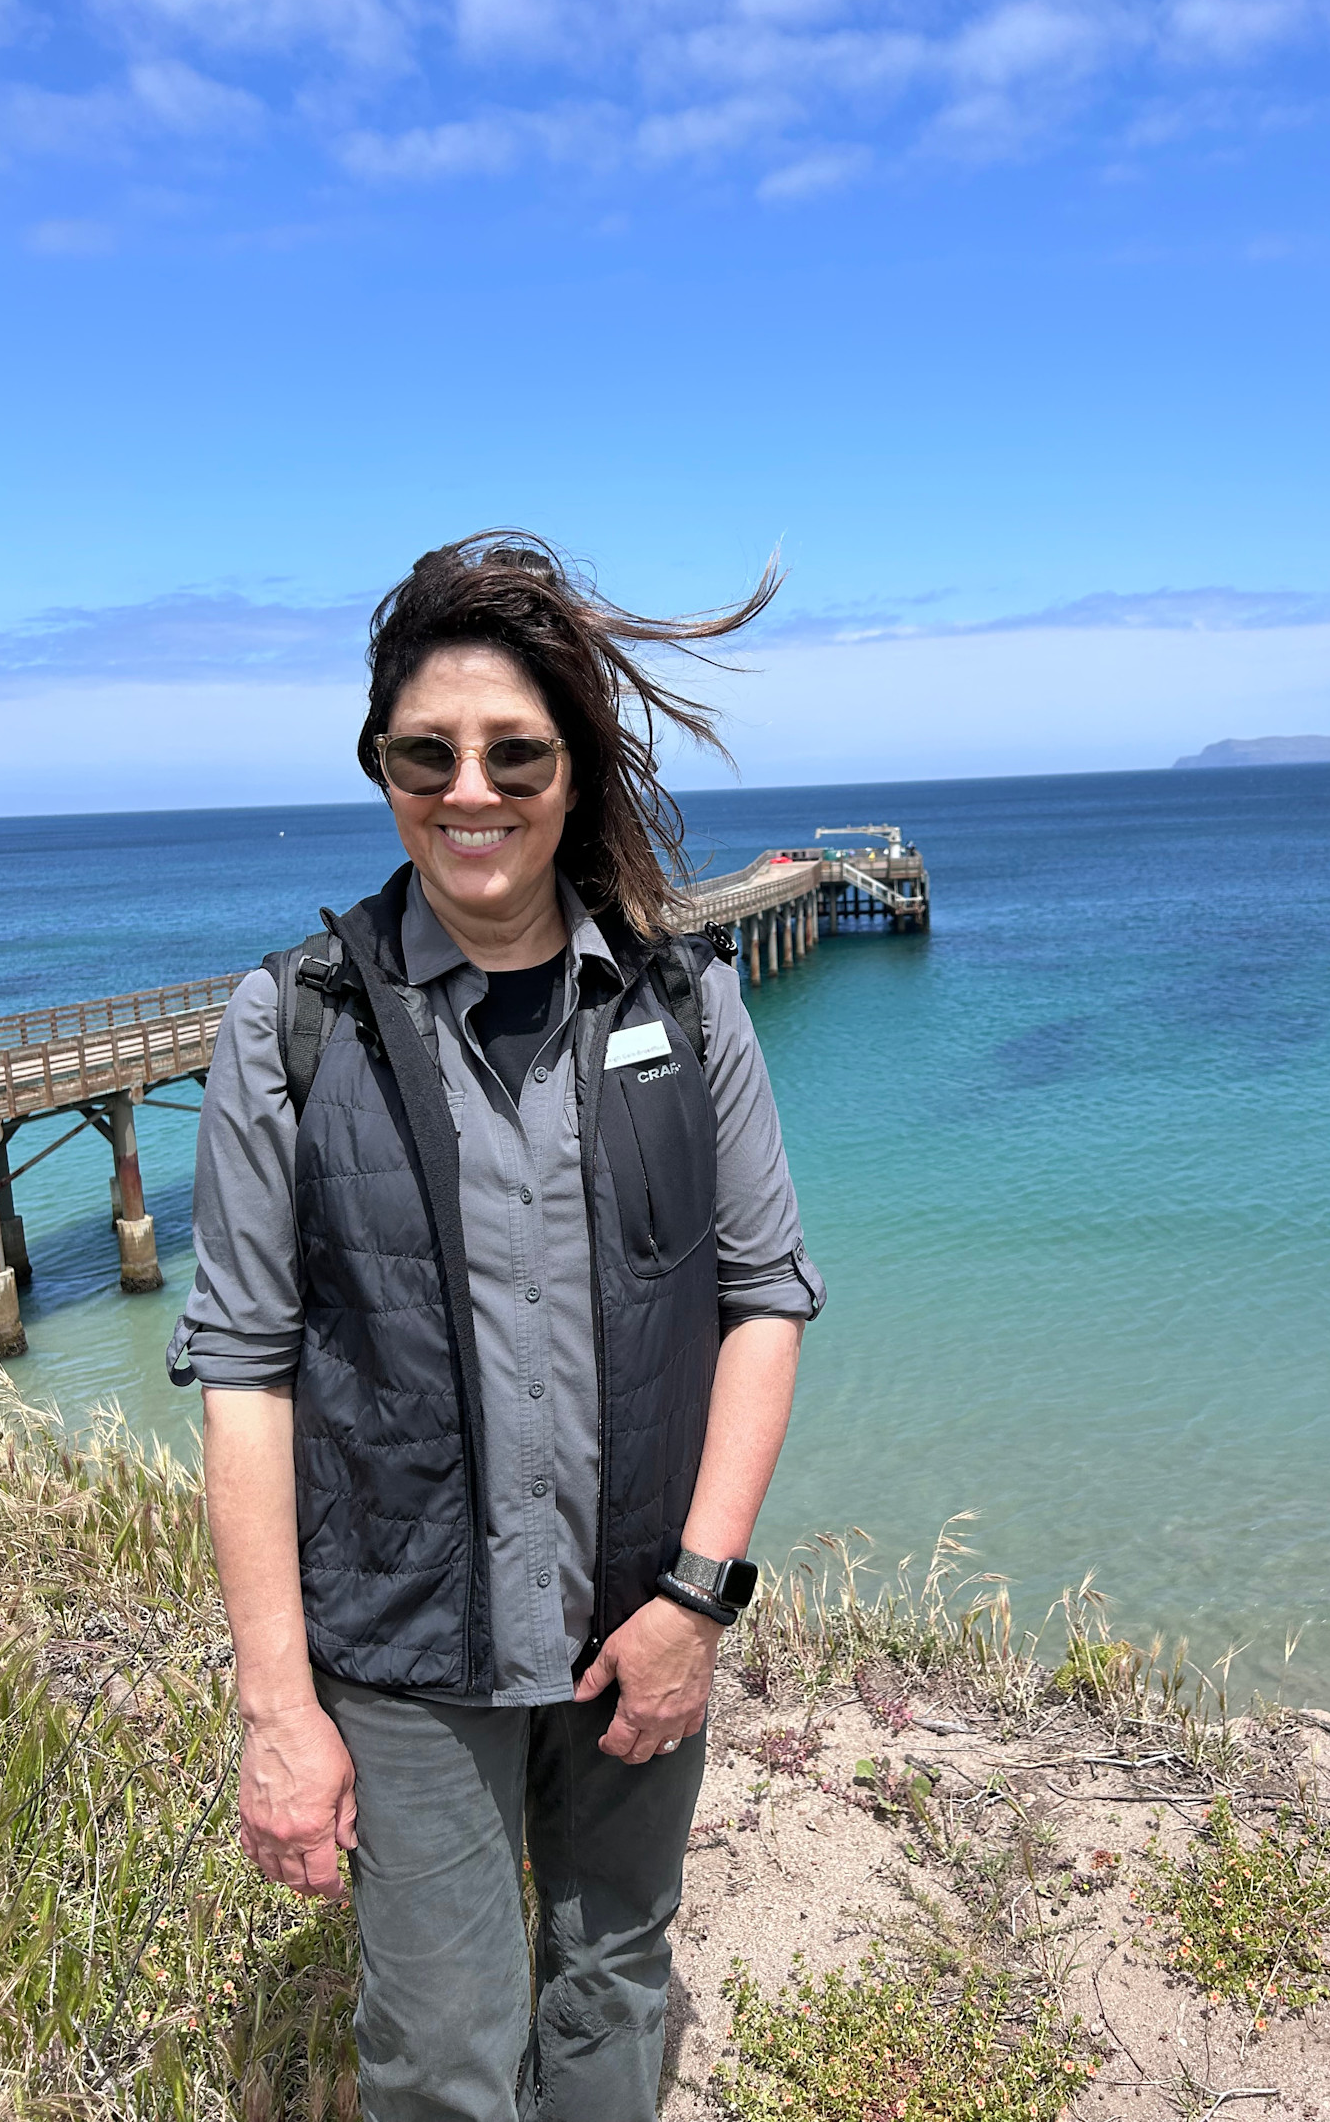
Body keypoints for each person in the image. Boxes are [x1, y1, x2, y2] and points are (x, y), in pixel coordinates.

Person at [168, 533, 825, 2121]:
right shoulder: (293, 1026)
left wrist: (696, 1599)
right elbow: (245, 1376)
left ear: (572, 765)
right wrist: (278, 1711)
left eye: (514, 752)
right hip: (406, 1649)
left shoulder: (691, 1002)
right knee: (443, 2051)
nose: (472, 789)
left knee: (615, 1988)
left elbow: (763, 1297)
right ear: (381, 767)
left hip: (634, 1621)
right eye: (428, 753)